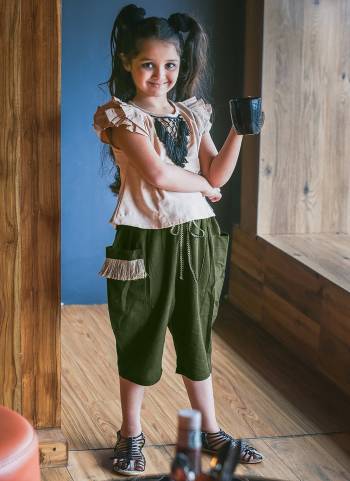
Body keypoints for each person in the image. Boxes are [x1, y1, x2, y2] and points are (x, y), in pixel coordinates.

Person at [92, 3, 264, 475]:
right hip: (145, 241)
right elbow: (160, 175)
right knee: (140, 336)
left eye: (170, 65)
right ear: (127, 61)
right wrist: (208, 187)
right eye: (148, 64)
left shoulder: (191, 114)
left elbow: (215, 169)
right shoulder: (120, 117)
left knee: (196, 335)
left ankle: (212, 434)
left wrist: (239, 132)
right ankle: (131, 435)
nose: (161, 75)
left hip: (198, 238)